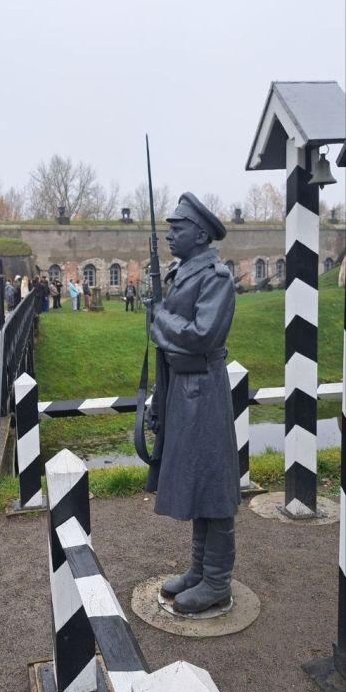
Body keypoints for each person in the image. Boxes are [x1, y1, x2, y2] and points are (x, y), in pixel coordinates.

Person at [147, 192, 239, 616]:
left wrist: (160, 317)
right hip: (181, 387)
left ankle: (217, 581)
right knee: (199, 482)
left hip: (203, 390)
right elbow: (175, 336)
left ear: (200, 234)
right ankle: (200, 570)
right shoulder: (182, 272)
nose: (169, 235)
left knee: (213, 485)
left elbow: (203, 335)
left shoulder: (216, 278)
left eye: (177, 228)